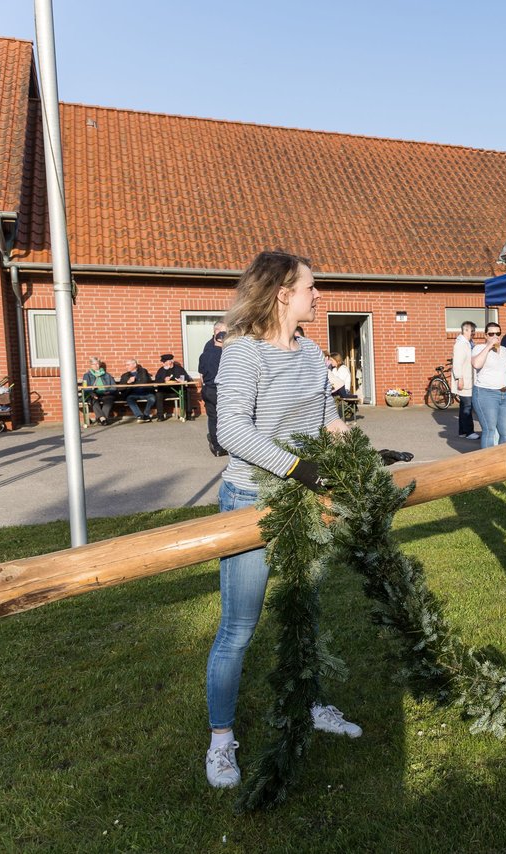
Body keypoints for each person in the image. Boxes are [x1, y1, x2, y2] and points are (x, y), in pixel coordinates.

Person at [205, 250, 361, 790]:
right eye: (311, 288)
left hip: (305, 499)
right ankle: (222, 741)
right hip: (252, 500)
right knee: (238, 629)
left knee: (304, 611)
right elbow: (233, 433)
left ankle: (311, 703)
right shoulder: (244, 352)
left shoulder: (314, 352)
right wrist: (304, 470)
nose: (319, 296)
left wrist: (353, 449)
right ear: (282, 294)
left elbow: (324, 417)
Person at [470, 321, 506, 448]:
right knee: (489, 430)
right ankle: (489, 463)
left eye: (498, 333)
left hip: (504, 394)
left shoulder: (504, 350)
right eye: (491, 334)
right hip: (486, 393)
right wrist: (489, 346)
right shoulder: (479, 348)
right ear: (485, 335)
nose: (495, 336)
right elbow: (476, 364)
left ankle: (504, 462)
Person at [198, 323, 227, 455]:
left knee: (213, 418)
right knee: (223, 418)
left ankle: (216, 446)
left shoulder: (205, 353)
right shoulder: (223, 354)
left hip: (208, 388)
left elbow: (201, 374)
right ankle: (221, 444)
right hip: (219, 389)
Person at [452, 321, 480, 439]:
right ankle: (469, 432)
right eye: (472, 331)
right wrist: (460, 378)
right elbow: (457, 363)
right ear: (466, 330)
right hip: (464, 380)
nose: (474, 333)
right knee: (467, 406)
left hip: (468, 379)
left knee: (464, 406)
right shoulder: (461, 344)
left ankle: (462, 431)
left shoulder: (468, 343)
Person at [155, 353, 193, 419]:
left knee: (188, 391)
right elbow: (156, 380)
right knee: (158, 394)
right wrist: (164, 380)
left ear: (170, 361)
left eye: (164, 362)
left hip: (178, 390)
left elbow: (187, 378)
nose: (163, 363)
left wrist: (181, 380)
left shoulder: (179, 369)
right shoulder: (161, 370)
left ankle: (189, 414)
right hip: (166, 391)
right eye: (163, 362)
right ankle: (160, 416)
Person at [118, 358, 157, 422]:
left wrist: (134, 382)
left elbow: (145, 381)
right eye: (125, 365)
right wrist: (128, 382)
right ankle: (140, 416)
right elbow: (120, 388)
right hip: (133, 394)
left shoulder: (143, 371)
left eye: (128, 365)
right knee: (129, 399)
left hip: (146, 392)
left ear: (134, 365)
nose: (126, 367)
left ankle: (146, 415)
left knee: (152, 398)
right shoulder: (125, 376)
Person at [81, 357, 116, 425]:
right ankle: (103, 419)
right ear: (91, 365)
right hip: (93, 394)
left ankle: (101, 418)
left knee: (109, 400)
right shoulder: (87, 375)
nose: (96, 365)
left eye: (97, 364)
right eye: (94, 364)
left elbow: (114, 386)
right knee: (94, 401)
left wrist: (109, 391)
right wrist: (92, 394)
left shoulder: (107, 375)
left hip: (106, 393)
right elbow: (85, 387)